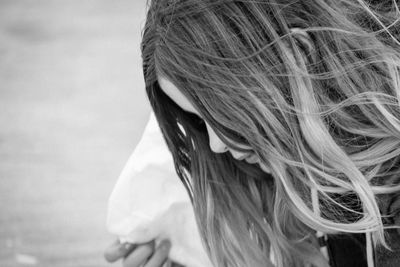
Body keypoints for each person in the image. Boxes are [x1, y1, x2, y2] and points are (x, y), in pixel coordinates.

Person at [105, 0, 400, 266]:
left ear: (298, 55)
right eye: (198, 121)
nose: (215, 143)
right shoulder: (315, 175)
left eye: (220, 111)